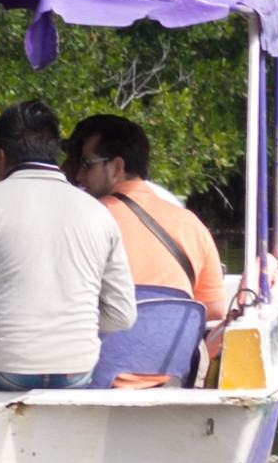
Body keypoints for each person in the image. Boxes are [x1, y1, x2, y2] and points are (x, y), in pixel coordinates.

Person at [0, 97, 133, 391]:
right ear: (55, 154)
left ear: (2, 157)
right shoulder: (99, 212)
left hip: (2, 367)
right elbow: (122, 315)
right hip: (78, 372)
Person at [72, 113, 243, 329]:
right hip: (170, 362)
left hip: (100, 360)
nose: (79, 175)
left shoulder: (80, 222)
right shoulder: (192, 225)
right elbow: (214, 309)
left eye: (87, 164)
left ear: (116, 167)